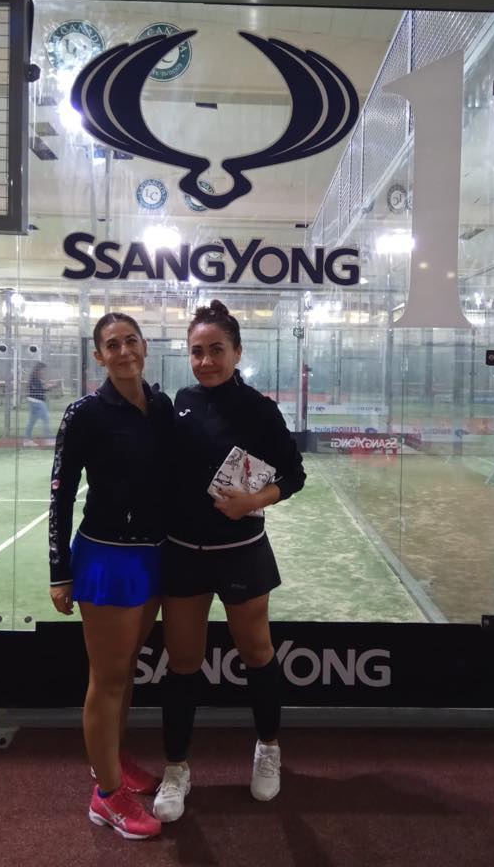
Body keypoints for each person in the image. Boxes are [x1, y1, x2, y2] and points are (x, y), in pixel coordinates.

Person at [154, 299, 306, 823]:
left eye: (216, 350)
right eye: (197, 351)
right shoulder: (180, 402)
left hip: (241, 552)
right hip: (183, 554)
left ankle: (268, 747)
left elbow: (294, 474)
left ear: (237, 352)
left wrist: (253, 501)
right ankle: (176, 768)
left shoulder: (260, 409)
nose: (206, 361)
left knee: (257, 653)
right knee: (183, 663)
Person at [49, 312, 173, 841]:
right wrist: (59, 571)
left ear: (145, 346)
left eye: (131, 341)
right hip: (106, 559)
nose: (124, 351)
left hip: (155, 555)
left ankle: (113, 760)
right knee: (108, 679)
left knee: (126, 673)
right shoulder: (84, 414)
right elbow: (60, 495)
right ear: (99, 356)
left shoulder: (161, 406)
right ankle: (106, 795)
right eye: (112, 345)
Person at [23, 361, 53, 445]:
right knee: (46, 418)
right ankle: (48, 439)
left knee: (31, 421)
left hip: (35, 401)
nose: (44, 372)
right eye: (43, 370)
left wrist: (48, 387)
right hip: (37, 402)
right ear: (38, 369)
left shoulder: (36, 379)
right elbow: (37, 391)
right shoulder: (34, 379)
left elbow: (39, 390)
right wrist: (48, 387)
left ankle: (27, 440)